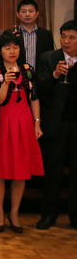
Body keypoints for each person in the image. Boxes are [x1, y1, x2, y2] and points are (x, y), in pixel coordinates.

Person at [0, 33, 44, 234]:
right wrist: (6, 83)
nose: (12, 51)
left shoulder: (28, 70)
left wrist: (37, 123)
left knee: (21, 170)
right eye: (7, 47)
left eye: (15, 47)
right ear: (0, 51)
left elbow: (34, 97)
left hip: (24, 122)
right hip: (1, 122)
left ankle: (14, 213)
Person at [36, 20, 77, 231]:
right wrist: (55, 75)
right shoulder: (48, 58)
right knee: (53, 172)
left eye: (72, 37)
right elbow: (40, 90)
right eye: (63, 36)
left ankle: (75, 216)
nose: (66, 41)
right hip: (56, 124)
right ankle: (48, 215)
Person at [10, 0, 55, 70]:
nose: (27, 14)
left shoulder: (46, 35)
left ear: (37, 14)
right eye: (23, 11)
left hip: (41, 75)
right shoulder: (10, 34)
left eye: (31, 11)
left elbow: (50, 58)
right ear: (18, 14)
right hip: (17, 74)